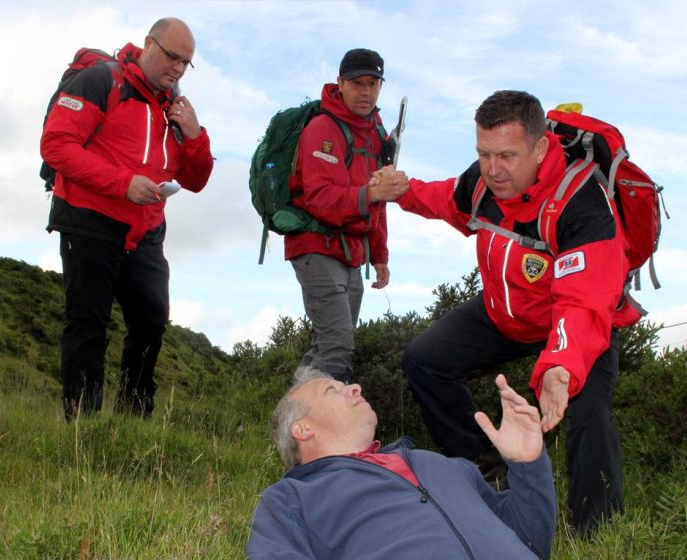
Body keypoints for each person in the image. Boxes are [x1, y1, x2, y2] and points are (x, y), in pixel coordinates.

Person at [370, 90, 641, 535]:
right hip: (504, 314)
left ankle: (597, 529)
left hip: (568, 319)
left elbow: (585, 298)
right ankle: (484, 464)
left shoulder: (582, 202)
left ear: (540, 147)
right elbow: (446, 200)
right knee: (424, 359)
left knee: (587, 410)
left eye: (507, 156)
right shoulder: (482, 184)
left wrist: (559, 366)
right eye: (483, 154)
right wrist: (402, 191)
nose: (493, 169)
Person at [40, 17, 213, 421]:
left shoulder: (175, 106)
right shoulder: (102, 82)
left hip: (147, 230)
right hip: (89, 219)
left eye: (186, 63)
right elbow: (55, 145)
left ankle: (134, 418)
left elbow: (197, 179)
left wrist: (194, 133)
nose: (177, 68)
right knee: (88, 324)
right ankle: (82, 427)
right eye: (172, 57)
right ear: (149, 43)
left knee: (151, 322)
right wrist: (123, 184)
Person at [247, 367, 556, 559]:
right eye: (333, 390)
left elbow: (530, 542)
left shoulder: (443, 464)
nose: (355, 387)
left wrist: (527, 465)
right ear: (302, 429)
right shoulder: (291, 497)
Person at [285, 48, 409, 382]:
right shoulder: (322, 129)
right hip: (315, 245)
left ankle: (291, 423)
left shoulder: (373, 135)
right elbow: (319, 198)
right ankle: (328, 429)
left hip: (351, 252)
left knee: (326, 346)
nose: (366, 91)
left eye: (373, 83)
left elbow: (378, 200)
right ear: (340, 83)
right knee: (337, 345)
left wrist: (379, 255)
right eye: (357, 83)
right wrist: (371, 194)